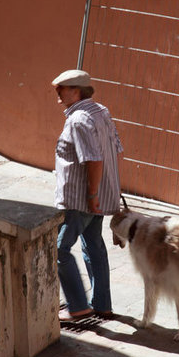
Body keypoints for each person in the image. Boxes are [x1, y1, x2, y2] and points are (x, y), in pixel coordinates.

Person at [52, 69, 124, 321]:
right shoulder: (101, 111)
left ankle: (78, 305)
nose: (58, 94)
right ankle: (102, 304)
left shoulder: (78, 120)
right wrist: (106, 191)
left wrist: (92, 195)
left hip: (81, 198)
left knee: (59, 250)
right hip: (99, 194)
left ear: (77, 91)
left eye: (62, 88)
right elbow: (115, 150)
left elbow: (93, 159)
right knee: (93, 245)